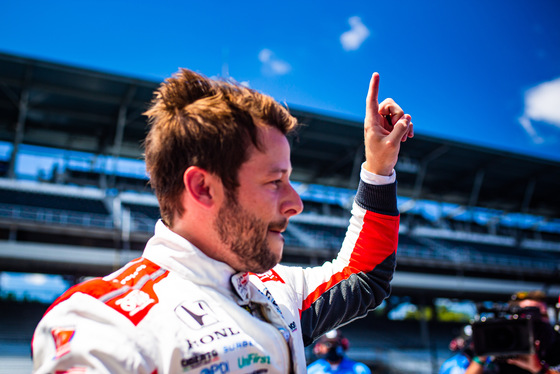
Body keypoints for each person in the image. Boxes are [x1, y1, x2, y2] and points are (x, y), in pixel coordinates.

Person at [31, 68, 413, 374]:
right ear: (203, 187)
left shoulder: (279, 290)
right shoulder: (102, 320)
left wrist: (379, 170)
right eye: (275, 181)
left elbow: (365, 273)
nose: (295, 203)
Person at [465, 291, 560, 374]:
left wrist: (538, 369)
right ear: (511, 317)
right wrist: (482, 356)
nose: (536, 322)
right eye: (527, 315)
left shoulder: (555, 345)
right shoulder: (494, 348)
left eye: (543, 315)